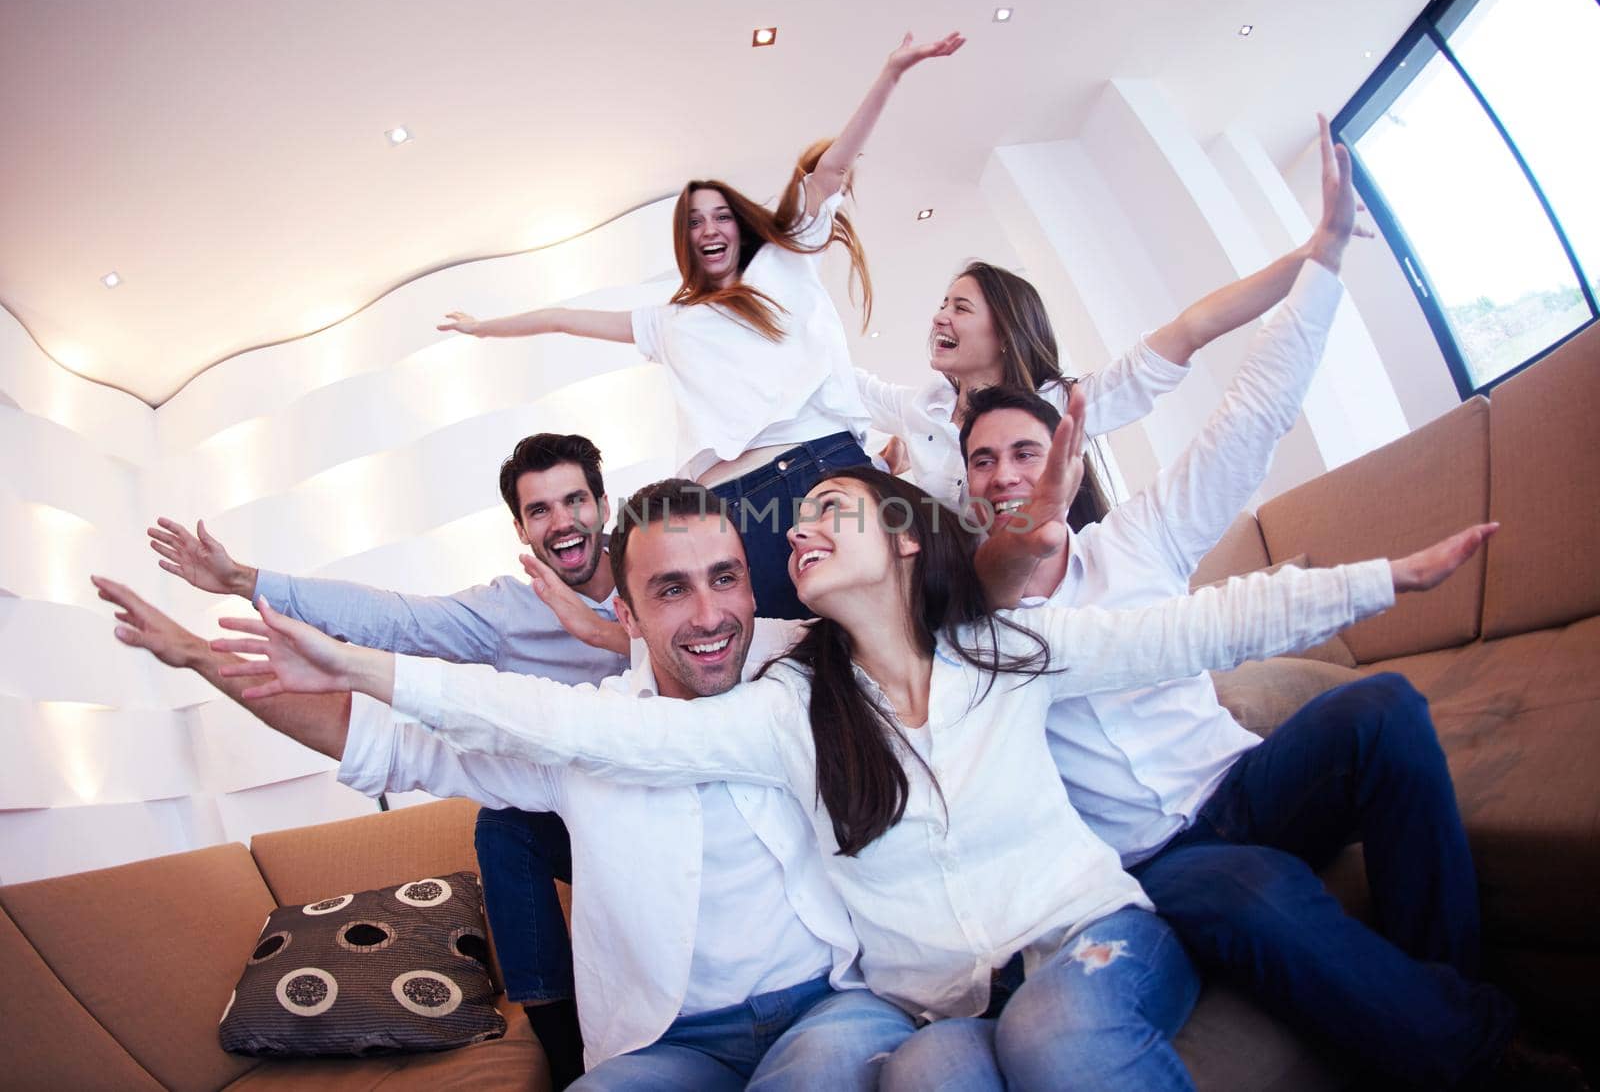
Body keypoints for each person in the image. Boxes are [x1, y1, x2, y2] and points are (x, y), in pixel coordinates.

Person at [210, 465, 1489, 1090]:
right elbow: (587, 732)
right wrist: (369, 667)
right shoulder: (786, 707)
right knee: (967, 1054)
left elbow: (1191, 628)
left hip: (1087, 933)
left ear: (900, 539)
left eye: (830, 513)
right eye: (799, 525)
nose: (801, 537)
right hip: (924, 995)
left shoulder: (1006, 653)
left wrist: (1385, 580)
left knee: (1057, 1026)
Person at [956, 121, 1541, 1089]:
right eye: (985, 462)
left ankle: (1444, 1004)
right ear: (970, 491)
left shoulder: (1134, 539)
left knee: (1385, 709)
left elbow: (1250, 420)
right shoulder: (978, 636)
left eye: (1026, 450)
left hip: (1250, 782)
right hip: (1163, 859)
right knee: (1253, 887)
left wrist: (1326, 261)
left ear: (1067, 452)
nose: (1010, 474)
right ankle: (1485, 1053)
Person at [94, 513, 918, 1090]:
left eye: (725, 578)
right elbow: (384, 741)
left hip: (825, 1009)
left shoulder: (801, 671)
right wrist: (202, 658)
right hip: (669, 1043)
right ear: (623, 614)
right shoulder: (580, 732)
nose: (710, 615)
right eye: (671, 590)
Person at [146, 431, 625, 1086]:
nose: (562, 520)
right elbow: (395, 620)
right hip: (574, 811)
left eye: (575, 500)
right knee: (504, 826)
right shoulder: (507, 616)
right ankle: (565, 1054)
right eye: (540, 510)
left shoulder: (655, 576)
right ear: (520, 527)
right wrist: (241, 581)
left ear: (603, 503)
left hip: (666, 804)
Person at [436, 31, 965, 619]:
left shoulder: (783, 262)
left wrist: (891, 72)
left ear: (740, 225)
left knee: (907, 624)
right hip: (732, 508)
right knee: (787, 669)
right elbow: (563, 319)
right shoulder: (668, 322)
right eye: (693, 221)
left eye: (720, 215)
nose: (709, 228)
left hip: (818, 474)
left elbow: (829, 170)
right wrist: (484, 327)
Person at [855, 113, 1374, 513]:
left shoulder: (1060, 403)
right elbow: (844, 376)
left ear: (1006, 333)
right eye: (942, 305)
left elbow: (1190, 329)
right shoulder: (921, 408)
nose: (938, 318)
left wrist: (1310, 256)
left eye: (960, 308)